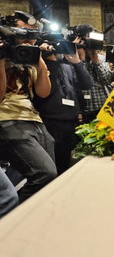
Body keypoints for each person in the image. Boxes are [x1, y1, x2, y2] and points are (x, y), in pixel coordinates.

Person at [0, 12, 57, 202]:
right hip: (8, 119)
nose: (27, 38)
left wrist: (39, 61)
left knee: (51, 180)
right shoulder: (4, 55)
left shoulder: (28, 57)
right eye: (21, 33)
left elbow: (43, 92)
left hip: (34, 120)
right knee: (44, 174)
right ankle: (14, 218)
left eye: (30, 34)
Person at [33, 39, 94, 175]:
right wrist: (50, 60)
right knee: (57, 167)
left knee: (71, 166)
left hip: (72, 122)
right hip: (52, 122)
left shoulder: (66, 65)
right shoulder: (40, 65)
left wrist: (77, 62)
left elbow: (87, 84)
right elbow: (46, 93)